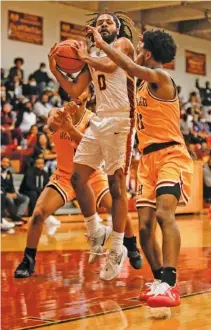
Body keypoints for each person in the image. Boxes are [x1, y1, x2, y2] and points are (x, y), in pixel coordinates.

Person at [90, 27, 194, 307]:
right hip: (146, 161)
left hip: (171, 154)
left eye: (139, 44)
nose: (135, 46)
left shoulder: (161, 77)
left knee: (163, 215)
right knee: (145, 228)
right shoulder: (141, 86)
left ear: (147, 52)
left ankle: (170, 284)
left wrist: (101, 43)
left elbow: (130, 66)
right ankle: (160, 279)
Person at [14, 89, 141, 278]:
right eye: (72, 90)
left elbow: (92, 147)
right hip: (64, 175)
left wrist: (69, 129)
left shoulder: (94, 120)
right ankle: (28, 259)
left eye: (81, 91)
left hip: (92, 174)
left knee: (115, 207)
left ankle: (131, 245)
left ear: (88, 96)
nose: (76, 94)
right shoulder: (57, 112)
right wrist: (59, 120)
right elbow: (50, 125)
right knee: (39, 213)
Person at [48, 12, 137, 281]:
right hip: (100, 120)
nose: (104, 26)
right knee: (78, 177)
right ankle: (95, 228)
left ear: (117, 27)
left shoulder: (123, 46)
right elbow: (75, 91)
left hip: (122, 119)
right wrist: (56, 70)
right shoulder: (93, 60)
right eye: (99, 24)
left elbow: (111, 66)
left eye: (109, 22)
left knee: (116, 185)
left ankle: (117, 247)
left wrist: (88, 53)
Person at [1, 157, 29, 224]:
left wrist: (14, 193)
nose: (5, 164)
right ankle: (14, 218)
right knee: (10, 200)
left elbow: (11, 185)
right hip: (2, 194)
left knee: (25, 199)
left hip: (9, 193)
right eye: (4, 162)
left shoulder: (9, 173)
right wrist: (6, 194)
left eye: (7, 162)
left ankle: (18, 216)